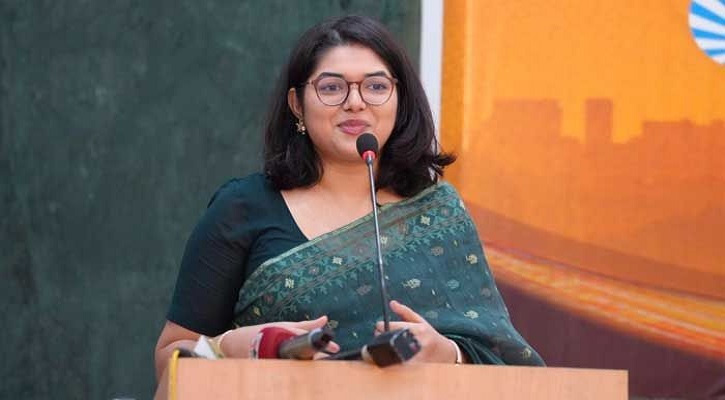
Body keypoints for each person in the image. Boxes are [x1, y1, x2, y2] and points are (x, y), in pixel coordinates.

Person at [154, 15, 544, 380]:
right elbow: (169, 358)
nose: (355, 102)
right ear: (297, 105)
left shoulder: (438, 212)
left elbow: (506, 362)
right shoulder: (242, 209)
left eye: (376, 86)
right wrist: (229, 346)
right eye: (331, 87)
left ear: (399, 100)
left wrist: (450, 354)